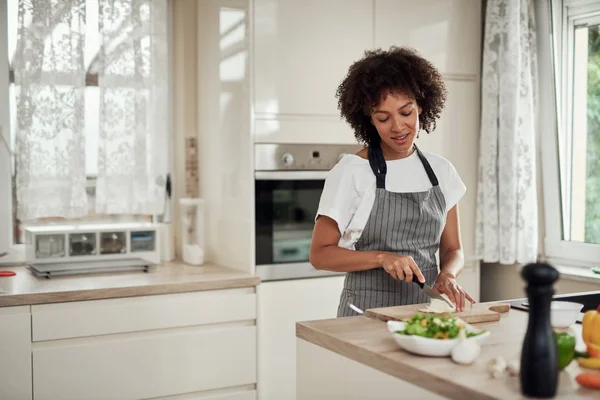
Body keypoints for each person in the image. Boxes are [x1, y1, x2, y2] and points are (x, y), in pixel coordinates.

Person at [309, 46, 475, 317]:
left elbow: (453, 248)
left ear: (421, 105)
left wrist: (448, 275)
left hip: (424, 312)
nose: (397, 127)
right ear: (369, 120)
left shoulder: (441, 171)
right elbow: (319, 254)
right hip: (365, 313)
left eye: (406, 113)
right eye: (383, 118)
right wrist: (381, 258)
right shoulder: (352, 171)